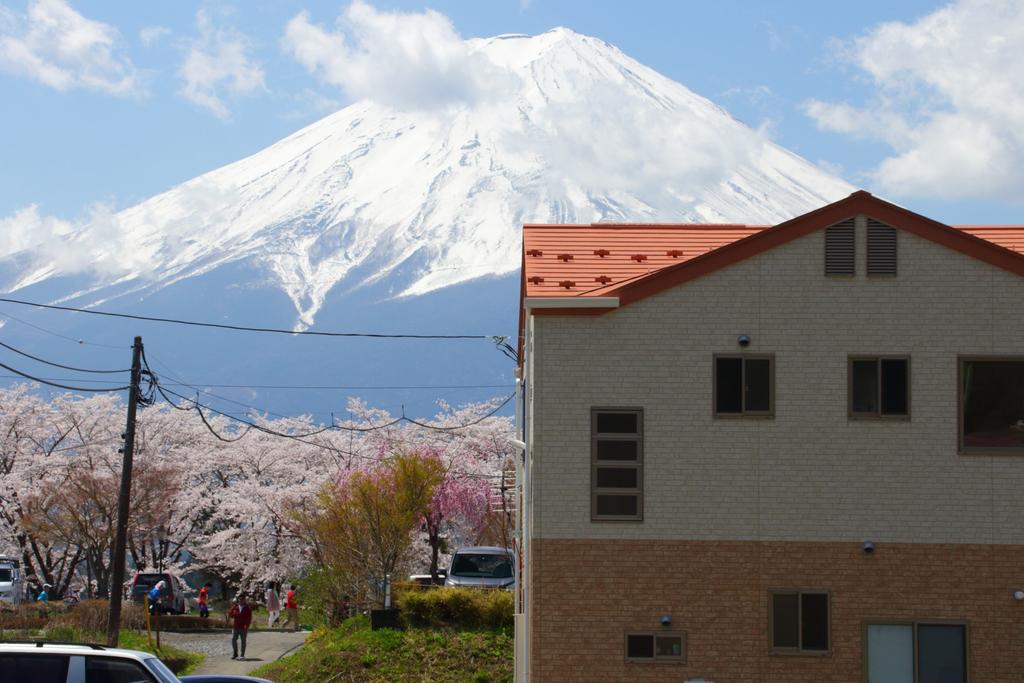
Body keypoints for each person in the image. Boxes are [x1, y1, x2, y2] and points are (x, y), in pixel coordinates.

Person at [228, 594, 253, 660]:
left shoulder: (247, 608)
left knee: (243, 641)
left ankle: (242, 655)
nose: (241, 600)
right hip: (236, 626)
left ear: (245, 600)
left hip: (243, 627)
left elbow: (249, 618)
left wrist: (247, 626)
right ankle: (235, 654)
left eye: (242, 599)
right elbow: (230, 614)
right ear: (238, 599)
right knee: (233, 640)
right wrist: (234, 611)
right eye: (240, 599)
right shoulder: (235, 607)